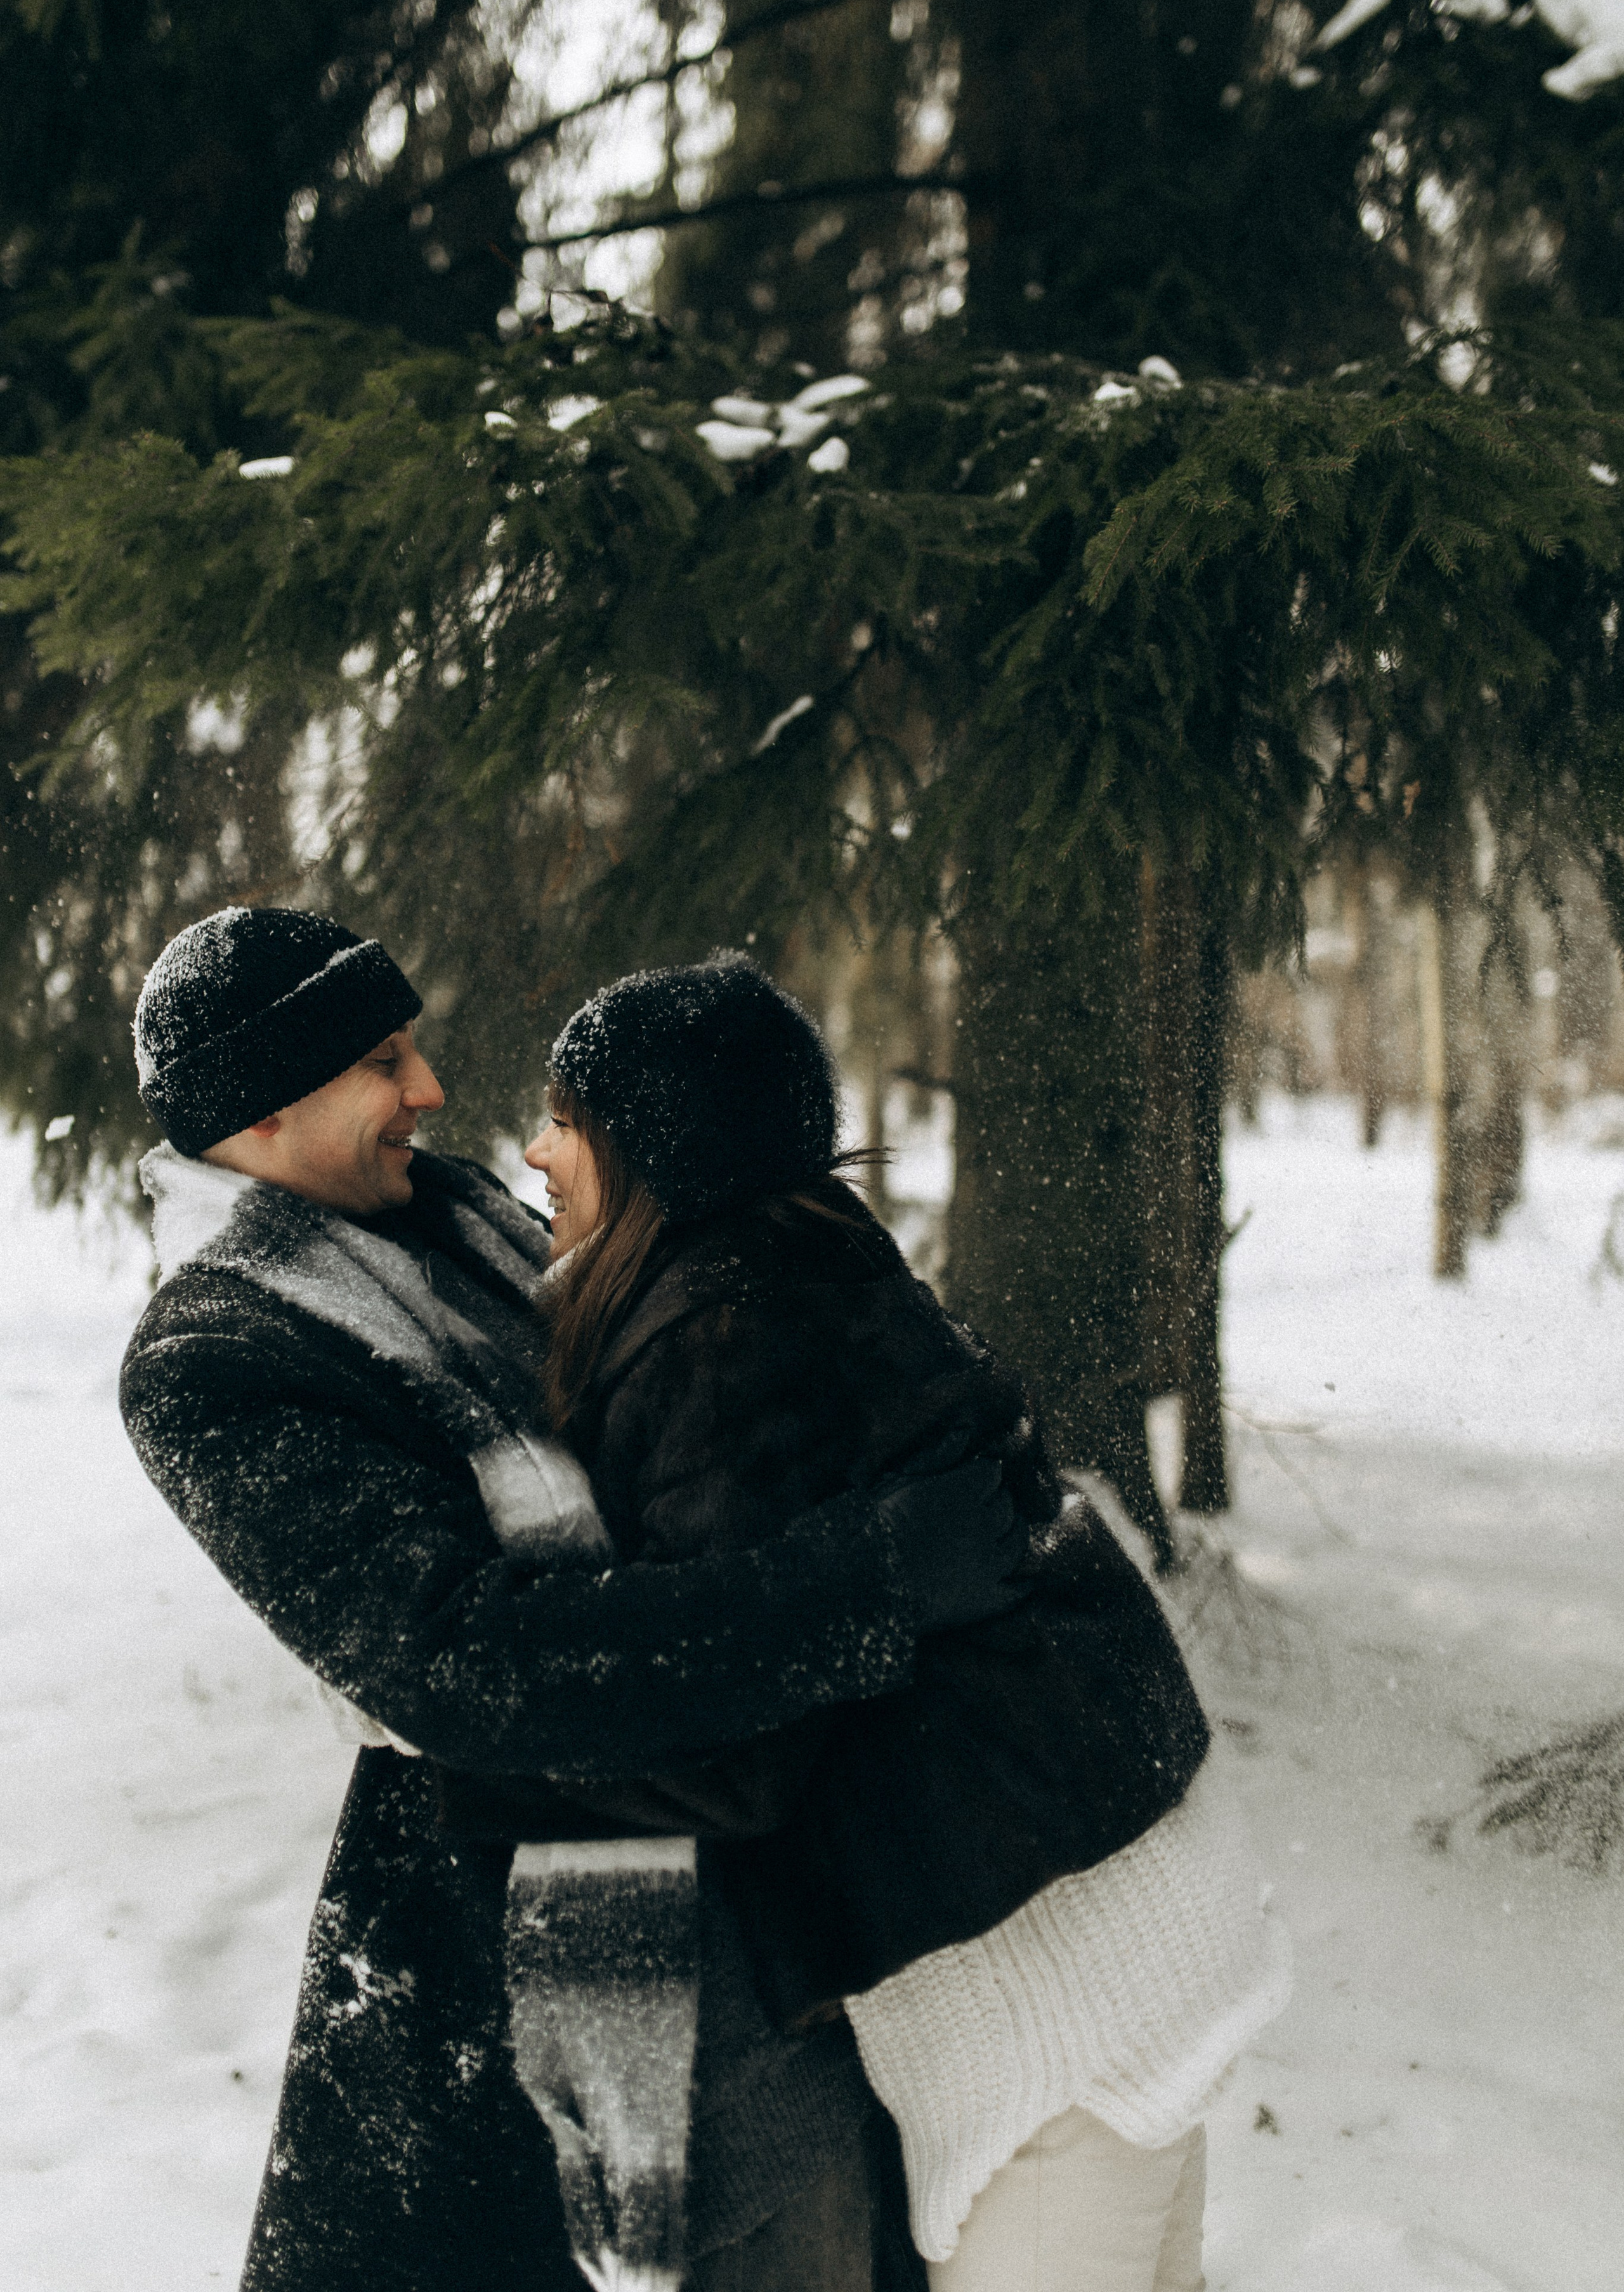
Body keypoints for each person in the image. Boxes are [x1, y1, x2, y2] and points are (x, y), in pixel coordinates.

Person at [117, 907, 1031, 2292]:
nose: (428, 1090)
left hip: (767, 1858)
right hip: (530, 1929)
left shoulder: (462, 1211)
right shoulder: (217, 1357)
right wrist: (869, 1581)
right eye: (382, 1059)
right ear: (261, 1107)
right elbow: (463, 1665)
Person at [494, 955, 1292, 2292]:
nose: (532, 1150)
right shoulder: (807, 1262)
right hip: (1126, 1899)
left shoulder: (719, 1341)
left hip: (1059, 1989)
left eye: (566, 1120)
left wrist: (489, 1719)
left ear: (653, 1147)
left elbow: (737, 1726)